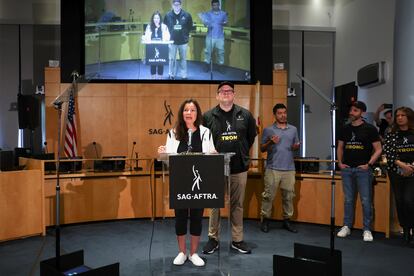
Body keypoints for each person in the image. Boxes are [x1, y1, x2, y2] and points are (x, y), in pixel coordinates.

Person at [158, 99, 216, 266]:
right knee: (180, 218)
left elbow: (211, 155)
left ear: (197, 113)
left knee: (197, 218)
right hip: (180, 181)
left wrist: (214, 154)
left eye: (192, 110)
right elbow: (168, 159)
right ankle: (182, 252)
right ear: (181, 113)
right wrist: (162, 152)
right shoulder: (173, 132)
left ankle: (194, 253)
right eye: (186, 110)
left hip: (200, 182)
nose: (189, 113)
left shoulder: (206, 132)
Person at [202, 81, 257, 254]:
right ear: (217, 95)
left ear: (234, 95)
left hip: (239, 167)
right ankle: (213, 239)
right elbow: (204, 140)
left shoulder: (245, 115)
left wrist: (241, 152)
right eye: (222, 91)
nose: (226, 93)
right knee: (214, 204)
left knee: (237, 205)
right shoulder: (208, 116)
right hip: (215, 167)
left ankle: (237, 240)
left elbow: (251, 138)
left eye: (229, 91)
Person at [336, 101, 382, 242]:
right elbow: (340, 147)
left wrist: (369, 164)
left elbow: (379, 149)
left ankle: (367, 229)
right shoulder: (345, 128)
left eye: (355, 110)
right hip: (347, 169)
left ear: (361, 112)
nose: (351, 113)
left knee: (366, 200)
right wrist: (340, 163)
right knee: (348, 200)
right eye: (351, 110)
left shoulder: (370, 129)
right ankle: (346, 226)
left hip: (363, 170)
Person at [259, 103, 300, 233]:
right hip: (272, 168)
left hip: (289, 168)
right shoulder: (268, 130)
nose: (283, 115)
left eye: (284, 113)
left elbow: (295, 145)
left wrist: (296, 147)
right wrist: (271, 142)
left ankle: (287, 221)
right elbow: (262, 148)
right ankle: (265, 220)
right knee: (268, 196)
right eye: (280, 113)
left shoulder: (293, 129)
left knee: (288, 196)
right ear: (275, 115)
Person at [383, 107, 414, 243]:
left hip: (412, 171)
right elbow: (389, 154)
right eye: (398, 115)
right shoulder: (391, 134)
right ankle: (406, 229)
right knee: (400, 201)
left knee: (409, 201)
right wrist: (402, 165)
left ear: (409, 117)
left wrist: (411, 167)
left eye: (403, 115)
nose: (400, 117)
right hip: (396, 171)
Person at [164, 0, 193, 80]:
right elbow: (165, 27)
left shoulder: (187, 15)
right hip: (172, 41)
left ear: (181, 5)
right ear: (172, 5)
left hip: (183, 42)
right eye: (175, 4)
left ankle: (183, 75)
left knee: (183, 59)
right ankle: (171, 74)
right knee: (172, 59)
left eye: (178, 4)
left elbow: (190, 26)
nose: (176, 6)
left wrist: (186, 35)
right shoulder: (168, 15)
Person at [198, 0, 228, 73]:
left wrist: (224, 23)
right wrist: (204, 22)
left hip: (220, 36)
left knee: (221, 52)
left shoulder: (223, 14)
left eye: (217, 5)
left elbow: (226, 23)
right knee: (208, 52)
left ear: (219, 5)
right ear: (212, 6)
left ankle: (220, 66)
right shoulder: (208, 14)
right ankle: (207, 65)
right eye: (214, 5)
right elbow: (205, 24)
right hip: (210, 36)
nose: (215, 6)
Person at [142, 11, 171, 79]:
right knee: (153, 64)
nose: (156, 19)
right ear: (153, 19)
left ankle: (160, 78)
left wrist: (164, 34)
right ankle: (153, 78)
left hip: (162, 48)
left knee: (161, 64)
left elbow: (168, 37)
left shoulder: (164, 26)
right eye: (155, 18)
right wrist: (144, 38)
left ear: (160, 19)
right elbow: (146, 36)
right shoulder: (149, 26)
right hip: (152, 48)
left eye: (158, 18)